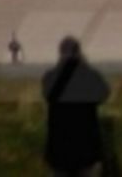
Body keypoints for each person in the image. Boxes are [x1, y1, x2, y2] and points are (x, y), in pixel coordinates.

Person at [41, 35, 112, 177]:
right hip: (86, 149)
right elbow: (103, 93)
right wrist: (83, 66)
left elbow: (47, 92)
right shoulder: (88, 76)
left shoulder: (51, 76)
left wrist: (62, 67)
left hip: (60, 151)